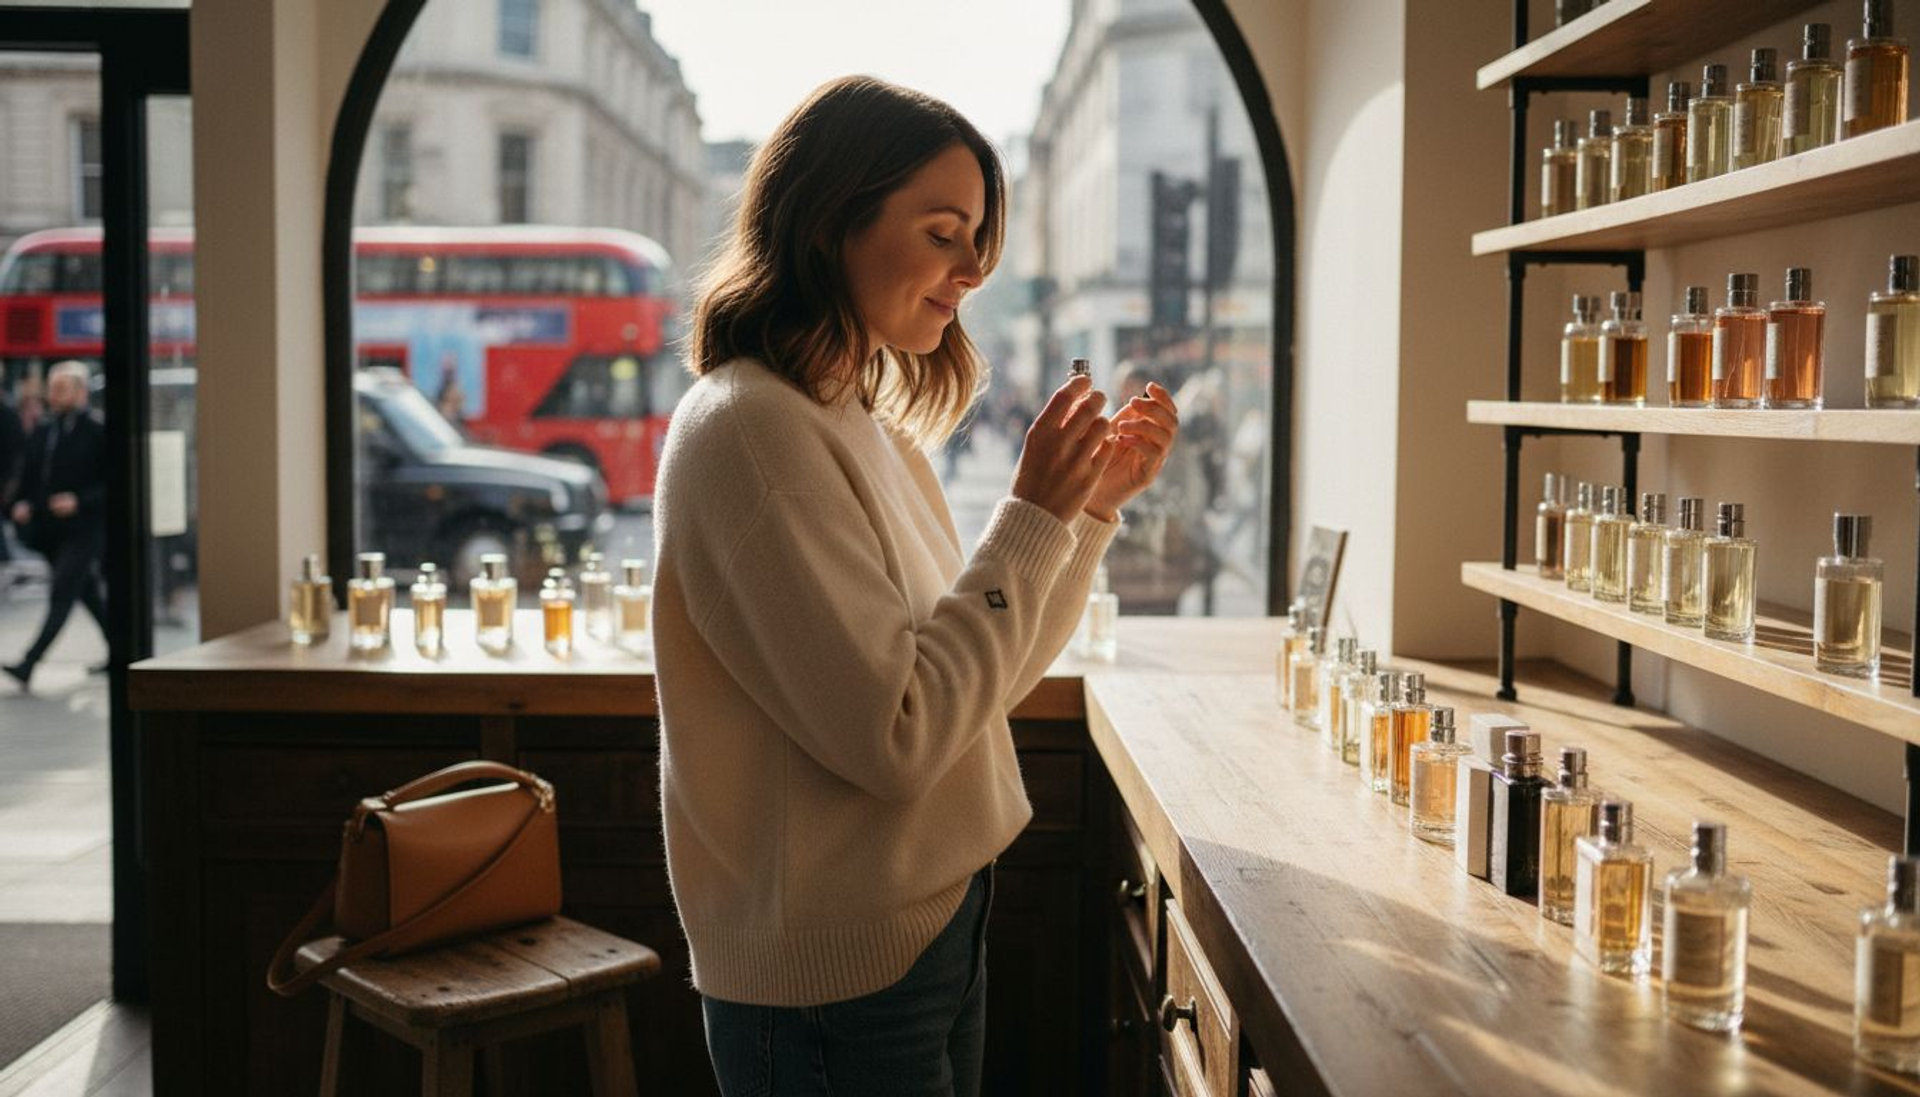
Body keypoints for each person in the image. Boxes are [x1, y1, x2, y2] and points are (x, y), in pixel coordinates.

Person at [651, 76, 1179, 1096]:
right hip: (834, 986)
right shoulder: (753, 430)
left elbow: (977, 677)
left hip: (923, 929)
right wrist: (1030, 514)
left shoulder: (859, 422)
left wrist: (1089, 509)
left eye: (977, 236)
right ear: (831, 224)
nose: (974, 269)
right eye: (945, 232)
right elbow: (898, 739)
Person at [6, 360, 108, 690]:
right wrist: (23, 504)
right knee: (88, 592)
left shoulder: (97, 429)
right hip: (52, 529)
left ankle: (29, 661)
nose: (54, 395)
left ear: (80, 392)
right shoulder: (45, 429)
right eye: (52, 389)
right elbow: (33, 475)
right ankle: (122, 651)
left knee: (63, 590)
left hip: (85, 528)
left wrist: (79, 501)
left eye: (61, 389)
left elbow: (113, 481)